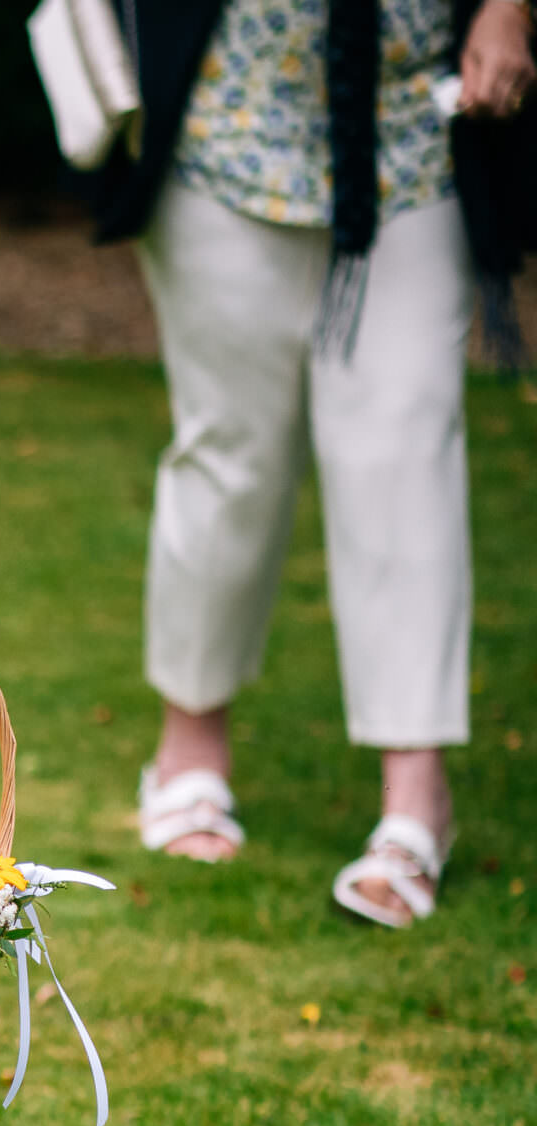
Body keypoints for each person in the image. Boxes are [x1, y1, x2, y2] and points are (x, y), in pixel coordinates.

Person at [101, 0, 537, 925]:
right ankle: (188, 755)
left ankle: (416, 802)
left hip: (414, 143)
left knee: (404, 455)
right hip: (224, 134)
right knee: (229, 455)